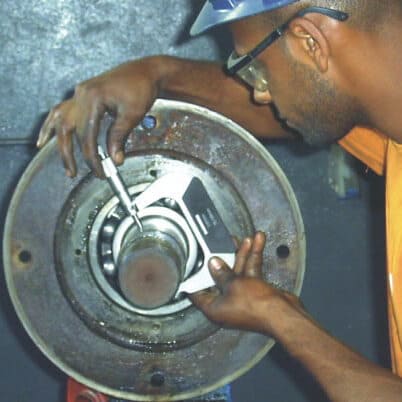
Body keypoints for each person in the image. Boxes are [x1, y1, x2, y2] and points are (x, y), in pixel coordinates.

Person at [37, 0, 402, 400]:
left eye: (256, 70)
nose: (260, 94)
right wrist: (158, 75)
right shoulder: (385, 122)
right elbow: (295, 108)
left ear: (310, 42)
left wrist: (281, 319)